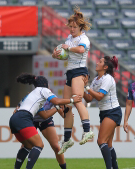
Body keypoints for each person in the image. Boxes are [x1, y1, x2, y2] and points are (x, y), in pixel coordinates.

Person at [9, 73, 81, 169]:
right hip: (26, 119)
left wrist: (65, 112)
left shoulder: (33, 94)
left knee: (31, 146)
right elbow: (56, 102)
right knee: (39, 145)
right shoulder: (44, 90)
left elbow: (45, 115)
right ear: (46, 85)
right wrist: (71, 100)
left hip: (16, 119)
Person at [52, 6, 94, 155]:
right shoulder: (69, 39)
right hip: (70, 72)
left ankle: (87, 131)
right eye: (70, 26)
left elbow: (81, 50)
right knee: (67, 105)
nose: (71, 29)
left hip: (79, 71)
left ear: (80, 27)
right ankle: (67, 139)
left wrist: (68, 48)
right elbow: (65, 53)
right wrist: (57, 54)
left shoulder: (83, 39)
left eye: (74, 26)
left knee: (77, 100)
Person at [10, 100, 72, 169]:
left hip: (45, 121)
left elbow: (63, 114)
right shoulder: (31, 97)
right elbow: (17, 110)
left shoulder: (51, 97)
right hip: (30, 121)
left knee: (56, 146)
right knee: (26, 145)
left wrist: (68, 113)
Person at [83, 56, 122, 169]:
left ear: (105, 67)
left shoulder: (108, 79)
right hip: (105, 112)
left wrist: (88, 87)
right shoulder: (96, 80)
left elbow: (99, 96)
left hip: (112, 111)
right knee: (108, 144)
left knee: (101, 141)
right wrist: (82, 89)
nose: (97, 63)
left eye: (100, 62)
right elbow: (90, 98)